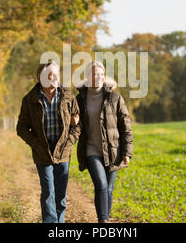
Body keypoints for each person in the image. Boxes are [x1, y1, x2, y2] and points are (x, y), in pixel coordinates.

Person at [16, 61, 81, 223]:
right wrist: (35, 144)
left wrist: (70, 142)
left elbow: (78, 124)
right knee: (48, 191)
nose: (52, 77)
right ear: (40, 77)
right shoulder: (30, 99)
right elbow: (21, 127)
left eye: (55, 73)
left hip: (63, 149)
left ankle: (59, 222)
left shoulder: (68, 97)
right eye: (48, 74)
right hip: (42, 150)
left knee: (60, 193)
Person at [75, 61, 133, 223]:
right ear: (88, 76)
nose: (99, 77)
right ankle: (104, 221)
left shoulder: (115, 97)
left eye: (101, 74)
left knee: (108, 188)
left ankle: (105, 219)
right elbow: (75, 124)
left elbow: (126, 126)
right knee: (101, 185)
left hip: (113, 150)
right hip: (91, 150)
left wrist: (127, 153)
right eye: (95, 74)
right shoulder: (80, 99)